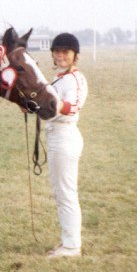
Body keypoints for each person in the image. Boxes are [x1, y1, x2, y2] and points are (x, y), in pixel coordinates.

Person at [45, 33, 88, 258]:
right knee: (61, 192)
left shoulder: (75, 79)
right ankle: (68, 242)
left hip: (65, 137)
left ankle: (71, 246)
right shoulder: (59, 78)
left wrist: (46, 104)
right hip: (55, 136)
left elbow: (73, 107)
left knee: (66, 193)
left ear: (75, 55)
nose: (61, 55)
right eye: (57, 51)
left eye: (66, 51)